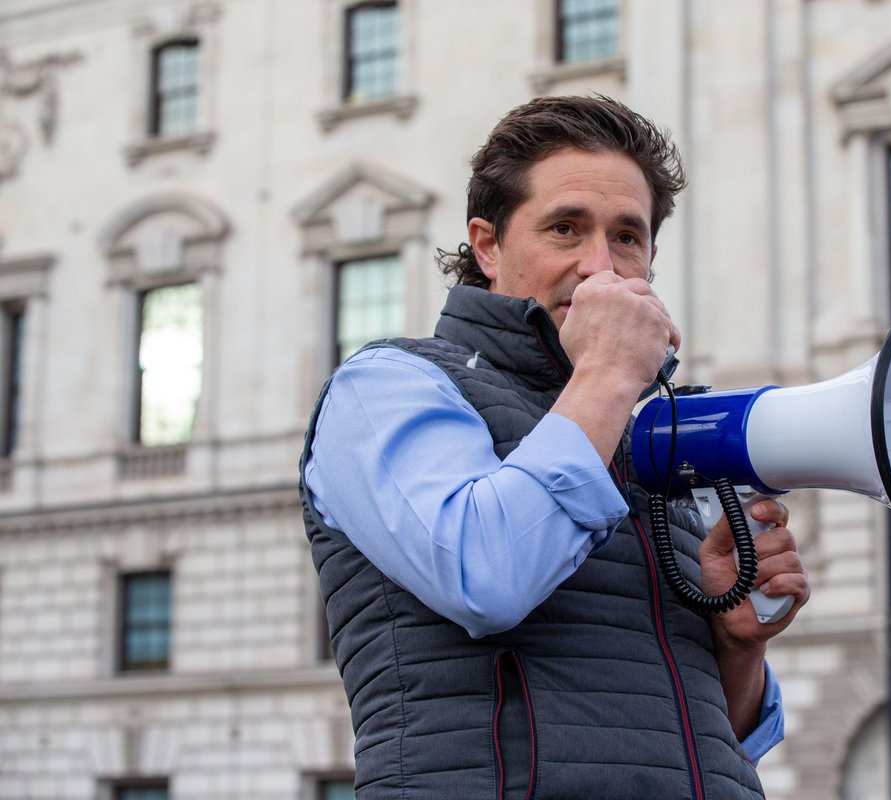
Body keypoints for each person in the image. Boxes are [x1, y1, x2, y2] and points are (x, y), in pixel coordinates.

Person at [299, 95, 810, 799]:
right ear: (487, 246)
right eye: (566, 229)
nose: (600, 267)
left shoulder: (633, 430)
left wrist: (736, 644)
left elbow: (718, 739)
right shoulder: (386, 387)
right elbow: (485, 573)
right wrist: (608, 374)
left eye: (627, 238)